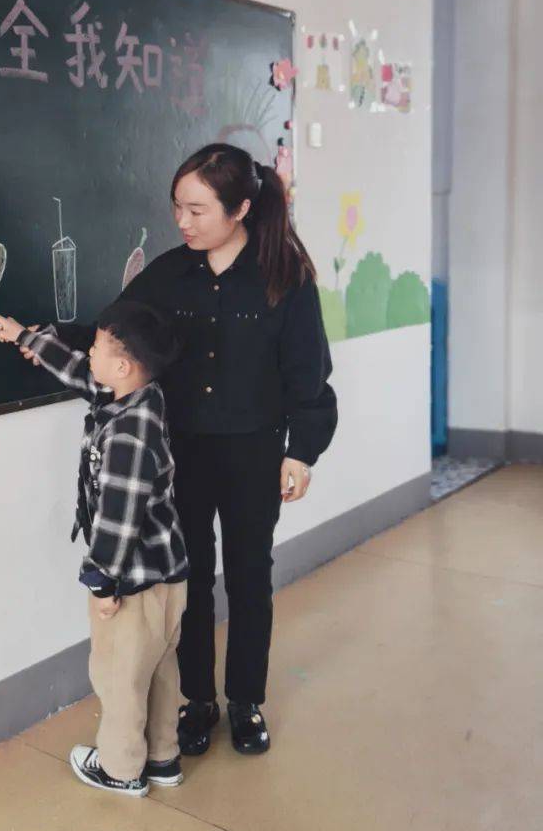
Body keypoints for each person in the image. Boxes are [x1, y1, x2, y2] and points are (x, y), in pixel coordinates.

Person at [47, 144, 337, 757]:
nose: (183, 221)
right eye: (177, 207)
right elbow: (115, 330)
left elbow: (309, 374)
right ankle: (198, 700)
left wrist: (302, 452)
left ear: (241, 209)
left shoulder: (285, 278)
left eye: (198, 210)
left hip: (255, 451)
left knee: (251, 576)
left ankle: (246, 702)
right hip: (179, 452)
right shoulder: (169, 273)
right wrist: (41, 338)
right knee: (191, 578)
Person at [0, 300, 189, 797]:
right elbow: (79, 372)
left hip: (133, 582)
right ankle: (163, 757)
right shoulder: (140, 398)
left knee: (120, 676)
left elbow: (119, 518)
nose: (88, 352)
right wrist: (25, 337)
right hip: (167, 575)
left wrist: (103, 583)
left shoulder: (127, 434)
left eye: (96, 347)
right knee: (160, 669)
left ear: (123, 367)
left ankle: (121, 769)